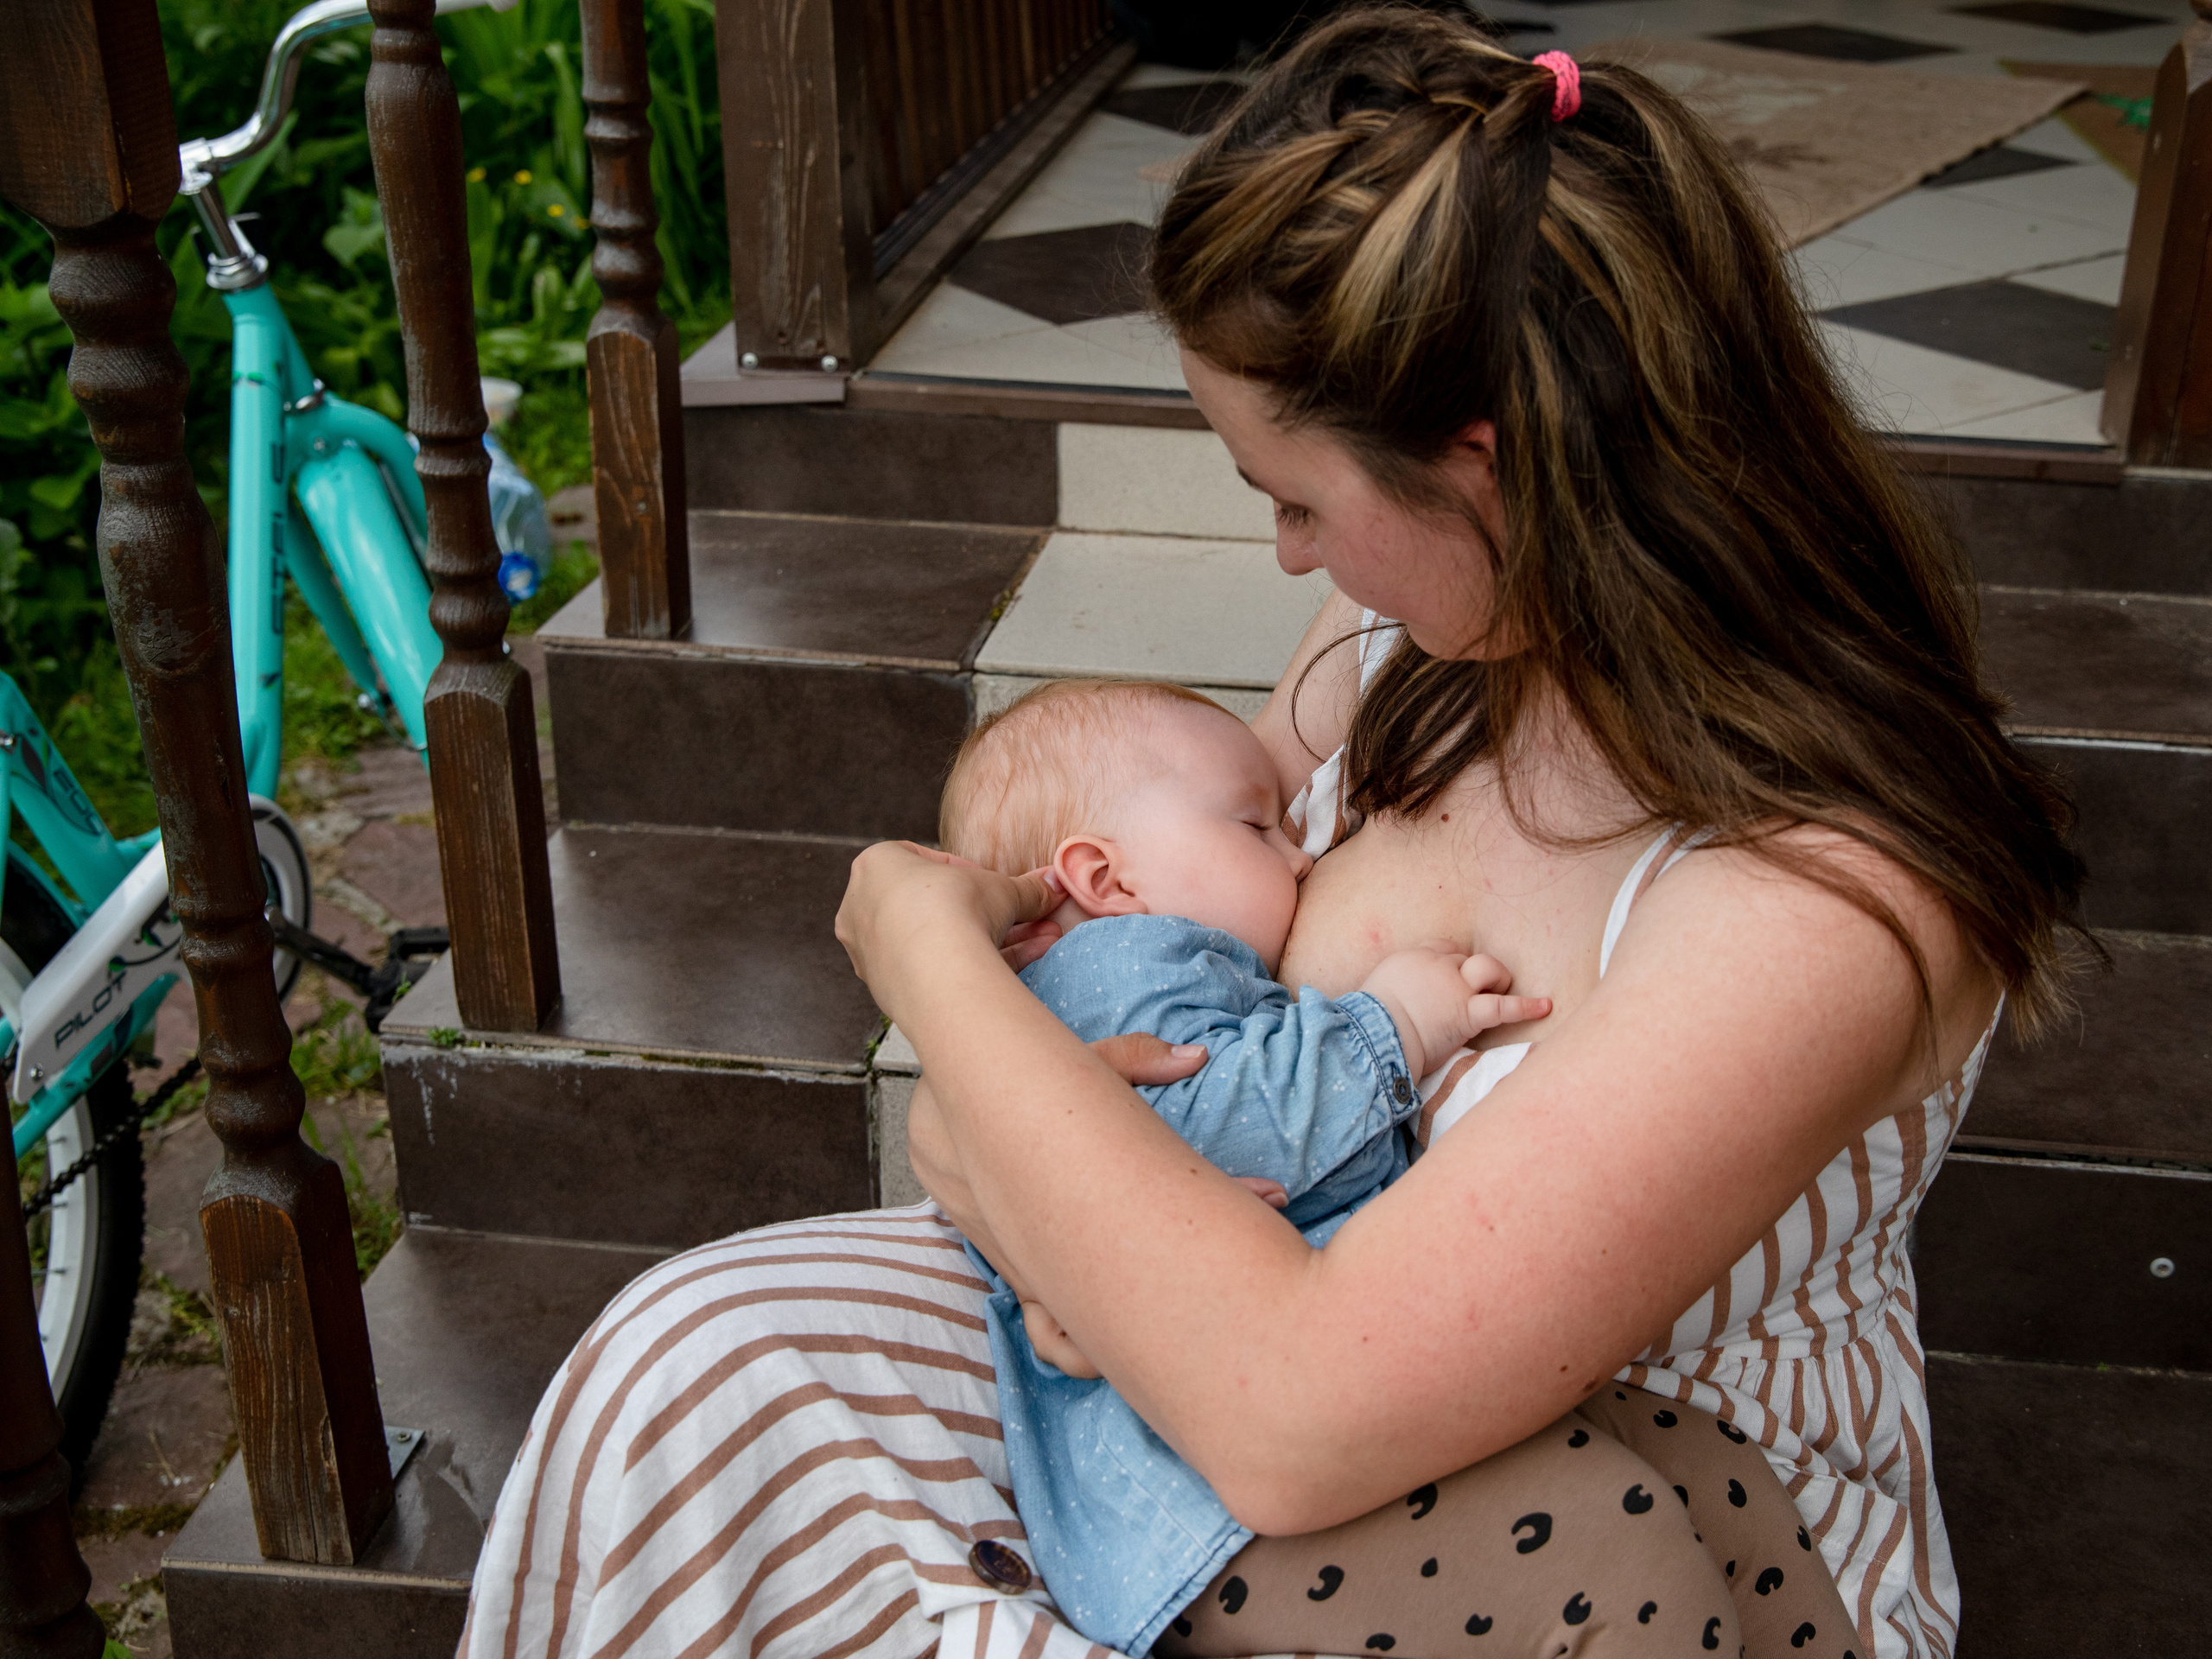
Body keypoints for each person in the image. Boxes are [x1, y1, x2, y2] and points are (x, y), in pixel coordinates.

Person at [460, 12, 2087, 1659]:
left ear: (1487, 468)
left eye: (1296, 501)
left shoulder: (1825, 893)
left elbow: (1290, 1407)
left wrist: (921, 953)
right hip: (1215, 1396)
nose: (1292, 559)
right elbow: (1021, 1094)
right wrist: (1043, 1188)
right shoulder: (1405, 652)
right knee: (690, 1378)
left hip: (1626, 1566)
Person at [938, 676, 1548, 1654]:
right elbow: (1202, 1133)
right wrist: (1390, 1027)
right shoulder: (1120, 970)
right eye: (1255, 827)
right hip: (1196, 1495)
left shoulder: (1119, 978)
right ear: (1105, 881)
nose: (1300, 854)